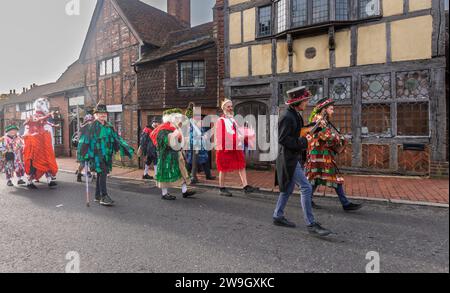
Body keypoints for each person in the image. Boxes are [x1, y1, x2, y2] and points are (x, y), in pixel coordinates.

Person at [273, 86, 332, 237]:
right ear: (298, 101)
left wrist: (316, 128)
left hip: (294, 157)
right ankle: (311, 224)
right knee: (306, 187)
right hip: (289, 159)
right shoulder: (286, 116)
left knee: (288, 189)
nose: (307, 102)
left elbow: (301, 131)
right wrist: (303, 142)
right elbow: (283, 139)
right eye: (305, 100)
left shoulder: (295, 114)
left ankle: (277, 216)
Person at [305, 98, 363, 212]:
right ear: (324, 110)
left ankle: (308, 200)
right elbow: (325, 136)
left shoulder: (322, 120)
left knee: (315, 178)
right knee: (333, 177)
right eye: (331, 109)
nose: (333, 111)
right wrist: (339, 138)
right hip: (319, 155)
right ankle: (345, 204)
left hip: (319, 154)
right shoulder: (319, 119)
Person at [77, 104, 134, 206]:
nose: (103, 115)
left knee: (100, 174)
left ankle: (97, 196)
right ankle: (104, 196)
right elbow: (83, 141)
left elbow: (117, 139)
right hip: (96, 155)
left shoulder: (109, 126)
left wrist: (126, 147)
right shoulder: (91, 126)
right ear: (96, 115)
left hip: (106, 155)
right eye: (100, 113)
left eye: (104, 113)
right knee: (102, 173)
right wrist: (83, 153)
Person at [150, 108, 196, 200]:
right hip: (166, 156)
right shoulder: (163, 128)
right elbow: (162, 141)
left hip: (177, 153)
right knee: (165, 173)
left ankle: (184, 191)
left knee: (182, 171)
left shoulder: (175, 127)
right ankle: (164, 193)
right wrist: (174, 136)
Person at [215, 99, 257, 197]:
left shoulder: (232, 119)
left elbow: (238, 131)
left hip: (235, 146)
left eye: (231, 106)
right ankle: (221, 188)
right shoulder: (220, 120)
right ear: (224, 108)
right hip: (225, 148)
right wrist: (237, 138)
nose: (230, 108)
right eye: (228, 106)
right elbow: (222, 135)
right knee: (223, 168)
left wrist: (247, 131)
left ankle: (245, 186)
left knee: (241, 165)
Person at [22, 97, 59, 189]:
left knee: (47, 160)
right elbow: (36, 120)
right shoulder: (32, 116)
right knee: (33, 162)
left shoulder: (42, 117)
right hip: (34, 143)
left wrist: (54, 125)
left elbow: (46, 123)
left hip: (42, 141)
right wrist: (48, 115)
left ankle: (49, 180)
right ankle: (29, 181)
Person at [186, 112, 216, 183]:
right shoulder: (191, 125)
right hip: (194, 146)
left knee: (205, 160)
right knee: (192, 162)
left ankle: (208, 175)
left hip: (201, 146)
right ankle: (191, 177)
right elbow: (190, 135)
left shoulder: (199, 125)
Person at [75, 108, 95, 182]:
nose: (90, 122)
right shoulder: (83, 127)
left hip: (91, 146)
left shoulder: (93, 127)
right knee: (82, 163)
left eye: (91, 120)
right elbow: (79, 133)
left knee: (92, 162)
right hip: (83, 147)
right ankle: (79, 174)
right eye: (88, 120)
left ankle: (93, 175)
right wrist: (87, 123)